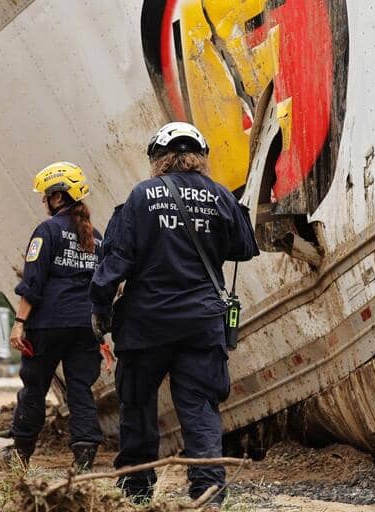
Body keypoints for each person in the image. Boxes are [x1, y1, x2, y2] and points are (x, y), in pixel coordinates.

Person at [90, 122, 259, 505]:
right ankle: (209, 494)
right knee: (200, 410)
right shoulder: (219, 196)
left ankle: (136, 493)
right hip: (201, 324)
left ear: (157, 160)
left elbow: (115, 262)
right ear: (201, 158)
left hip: (145, 325)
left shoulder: (141, 197)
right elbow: (246, 248)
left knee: (137, 408)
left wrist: (99, 308)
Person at [7, 161, 104, 471]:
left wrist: (19, 323)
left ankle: (20, 454)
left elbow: (33, 282)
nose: (44, 201)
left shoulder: (47, 231)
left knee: (34, 388)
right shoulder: (97, 237)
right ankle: (85, 456)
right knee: (80, 388)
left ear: (59, 197)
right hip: (86, 325)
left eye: (46, 195)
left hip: (48, 325)